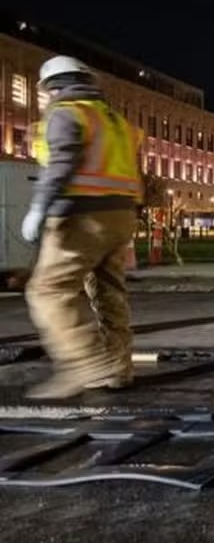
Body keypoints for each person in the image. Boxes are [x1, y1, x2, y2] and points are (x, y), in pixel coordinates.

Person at [22, 55, 142, 399]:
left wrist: (38, 208)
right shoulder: (115, 121)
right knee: (109, 293)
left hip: (81, 217)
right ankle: (118, 369)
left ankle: (83, 362)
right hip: (121, 217)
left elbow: (60, 165)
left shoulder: (67, 114)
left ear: (53, 86)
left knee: (48, 291)